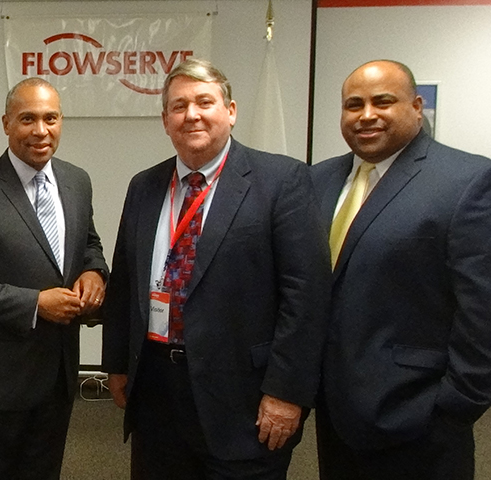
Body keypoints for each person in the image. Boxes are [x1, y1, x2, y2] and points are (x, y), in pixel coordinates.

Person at [101, 58, 329, 479]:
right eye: (179, 106)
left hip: (242, 395)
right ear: (165, 120)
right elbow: (125, 279)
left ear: (231, 111)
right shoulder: (144, 185)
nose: (192, 115)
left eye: (205, 102)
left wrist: (285, 392)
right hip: (156, 388)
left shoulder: (281, 181)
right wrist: (116, 363)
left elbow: (306, 297)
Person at [312, 60, 491, 480]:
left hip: (420, 419)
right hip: (335, 412)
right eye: (353, 104)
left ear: (416, 105)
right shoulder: (318, 180)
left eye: (383, 101)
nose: (366, 114)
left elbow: (482, 309)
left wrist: (455, 405)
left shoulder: (467, 179)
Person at [0, 78, 108, 480]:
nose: (40, 130)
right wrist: (34, 304)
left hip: (58, 378)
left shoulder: (77, 181)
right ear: (6, 123)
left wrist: (94, 271)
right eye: (27, 119)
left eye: (51, 118)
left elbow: (88, 244)